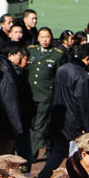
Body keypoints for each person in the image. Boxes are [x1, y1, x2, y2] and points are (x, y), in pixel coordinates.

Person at [36, 44, 89, 178]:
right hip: (73, 122)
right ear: (86, 58)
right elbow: (84, 104)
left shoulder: (63, 69)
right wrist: (87, 127)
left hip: (59, 118)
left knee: (58, 151)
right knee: (75, 155)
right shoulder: (82, 76)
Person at [0, 43, 28, 158]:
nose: (21, 57)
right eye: (19, 54)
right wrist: (18, 129)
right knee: (3, 158)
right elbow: (11, 103)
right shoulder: (7, 74)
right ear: (10, 55)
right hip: (4, 126)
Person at [28, 28, 64, 156]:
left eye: (47, 37)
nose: (45, 40)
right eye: (42, 37)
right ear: (38, 38)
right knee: (30, 123)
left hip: (45, 95)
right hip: (30, 93)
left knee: (39, 125)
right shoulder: (31, 51)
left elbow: (59, 76)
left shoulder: (57, 54)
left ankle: (32, 153)